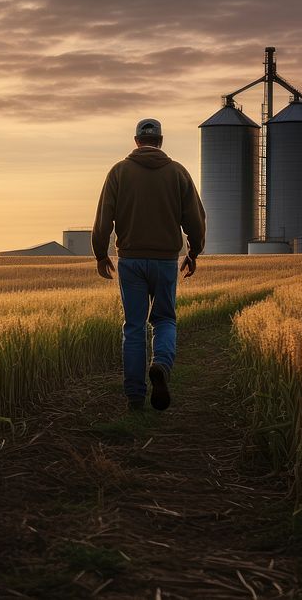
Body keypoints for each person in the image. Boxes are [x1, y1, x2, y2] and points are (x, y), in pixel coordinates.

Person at [92, 118, 206, 412]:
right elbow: (195, 218)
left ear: (136, 141)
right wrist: (194, 252)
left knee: (134, 327)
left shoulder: (119, 172)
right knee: (165, 319)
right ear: (161, 141)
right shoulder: (178, 172)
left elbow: (104, 217)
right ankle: (161, 365)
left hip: (130, 260)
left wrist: (100, 254)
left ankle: (134, 397)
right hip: (166, 260)